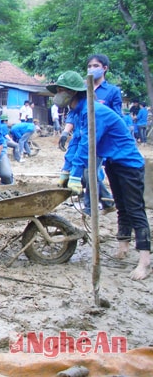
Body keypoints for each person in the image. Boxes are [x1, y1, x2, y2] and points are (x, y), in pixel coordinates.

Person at [50, 71, 150, 280]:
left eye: (60, 90)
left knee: (135, 210)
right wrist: (66, 171)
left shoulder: (93, 111)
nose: (57, 95)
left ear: (72, 92)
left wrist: (77, 175)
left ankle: (144, 261)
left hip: (128, 165)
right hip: (113, 163)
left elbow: (88, 145)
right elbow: (76, 142)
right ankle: (122, 248)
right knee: (121, 207)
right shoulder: (78, 111)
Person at [58, 54, 119, 215]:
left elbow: (115, 117)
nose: (91, 69)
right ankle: (107, 201)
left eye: (95, 66)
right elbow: (76, 125)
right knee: (89, 173)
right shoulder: (81, 95)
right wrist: (66, 132)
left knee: (88, 172)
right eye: (89, 66)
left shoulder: (112, 91)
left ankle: (90, 207)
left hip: (102, 138)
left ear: (105, 68)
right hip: (85, 135)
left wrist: (75, 173)